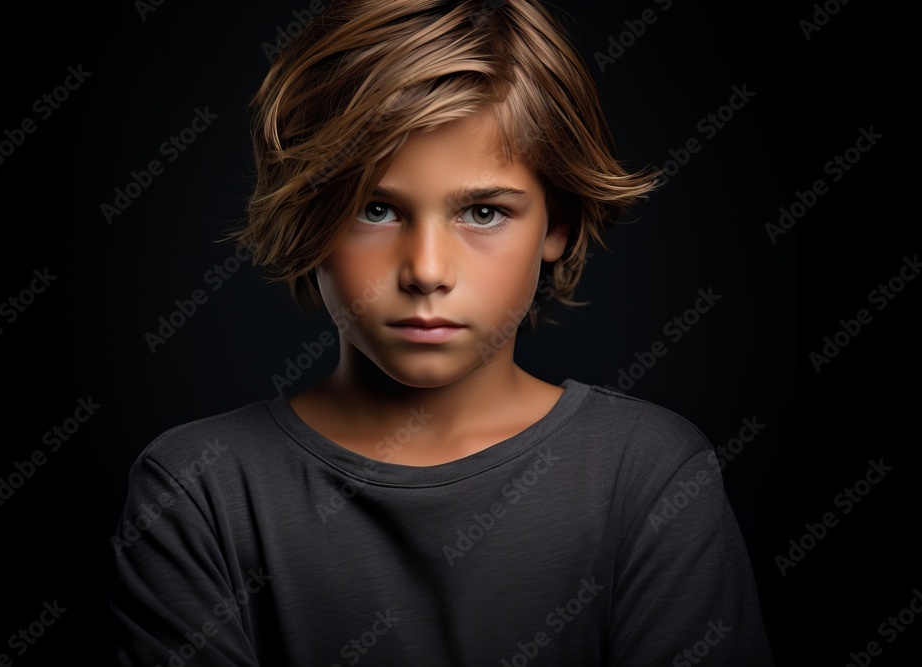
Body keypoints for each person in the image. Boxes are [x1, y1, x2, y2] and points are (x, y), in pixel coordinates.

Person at [110, 1, 775, 664]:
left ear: (557, 224)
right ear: (308, 217)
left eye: (483, 212)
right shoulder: (200, 488)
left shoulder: (647, 474)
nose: (427, 270)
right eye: (375, 209)